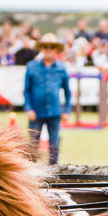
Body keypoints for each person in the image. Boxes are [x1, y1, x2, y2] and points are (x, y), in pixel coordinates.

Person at [23, 33, 70, 165]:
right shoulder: (31, 66)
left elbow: (68, 91)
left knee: (54, 144)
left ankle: (53, 171)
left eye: (52, 47)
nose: (49, 49)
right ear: (42, 49)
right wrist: (28, 108)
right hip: (36, 112)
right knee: (33, 144)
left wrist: (66, 110)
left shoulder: (62, 67)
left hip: (54, 112)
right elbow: (26, 90)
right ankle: (31, 171)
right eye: (46, 47)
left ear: (56, 49)